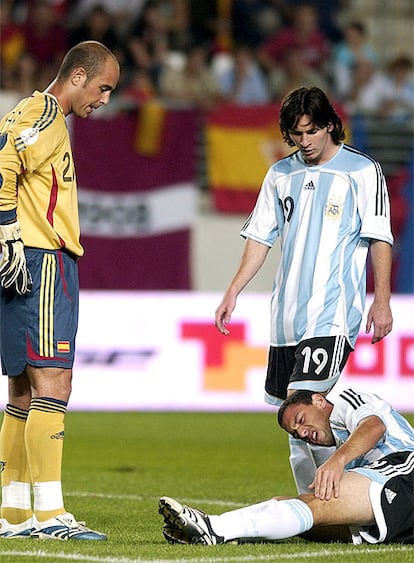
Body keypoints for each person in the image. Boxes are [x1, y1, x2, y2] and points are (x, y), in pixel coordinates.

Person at [214, 86, 394, 495]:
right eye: (296, 134)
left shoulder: (362, 171)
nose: (304, 142)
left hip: (331, 315)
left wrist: (381, 301)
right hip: (286, 318)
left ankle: (335, 499)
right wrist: (233, 292)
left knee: (308, 407)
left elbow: (380, 237)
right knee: (291, 419)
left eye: (311, 132)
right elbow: (260, 237)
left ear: (330, 124)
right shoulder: (281, 173)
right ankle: (312, 506)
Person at [0, 40, 120, 540]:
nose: (105, 100)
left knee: (24, 391)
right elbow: (3, 161)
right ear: (77, 77)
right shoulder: (45, 114)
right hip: (41, 261)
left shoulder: (45, 116)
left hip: (29, 260)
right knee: (53, 383)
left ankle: (12, 513)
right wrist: (8, 230)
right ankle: (49, 516)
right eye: (103, 88)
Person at [159, 387, 414, 545]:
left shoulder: (346, 401)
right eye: (297, 432)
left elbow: (374, 426)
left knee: (317, 504)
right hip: (400, 512)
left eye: (301, 420)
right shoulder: (339, 440)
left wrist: (338, 461)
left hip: (405, 468)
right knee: (295, 507)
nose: (303, 432)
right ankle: (233, 532)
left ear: (319, 401)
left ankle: (215, 528)